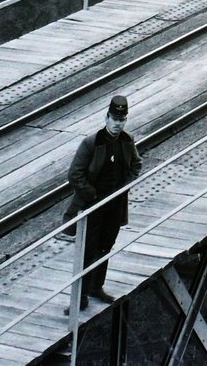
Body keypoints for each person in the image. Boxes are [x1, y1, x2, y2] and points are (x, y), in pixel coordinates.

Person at [65, 94, 141, 310]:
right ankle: (79, 297)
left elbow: (136, 165)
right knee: (88, 251)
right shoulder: (91, 143)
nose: (118, 124)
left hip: (115, 206)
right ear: (107, 117)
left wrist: (125, 186)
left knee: (106, 246)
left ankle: (96, 287)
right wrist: (92, 195)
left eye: (122, 120)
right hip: (93, 206)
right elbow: (75, 174)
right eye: (115, 119)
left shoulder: (127, 141)